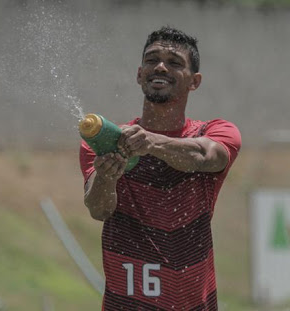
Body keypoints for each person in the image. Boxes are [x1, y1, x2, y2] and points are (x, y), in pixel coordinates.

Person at [80, 26, 242, 310]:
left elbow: (206, 156)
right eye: (152, 60)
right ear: (140, 74)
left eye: (175, 63)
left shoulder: (216, 131)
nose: (161, 67)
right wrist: (107, 177)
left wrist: (152, 143)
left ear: (195, 81)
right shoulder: (108, 142)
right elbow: (99, 209)